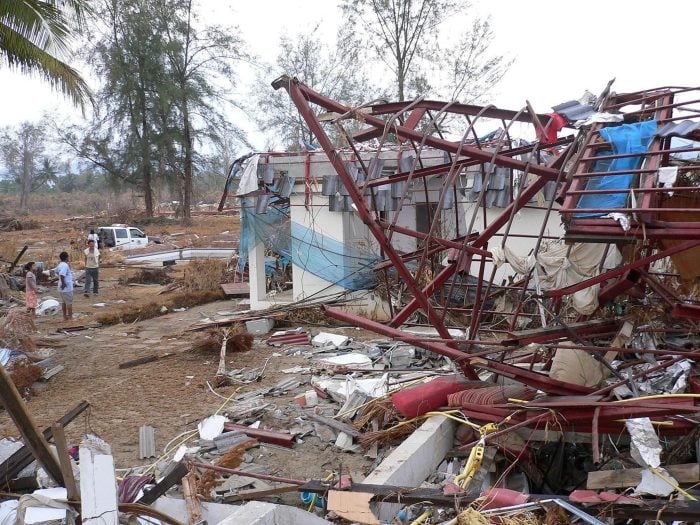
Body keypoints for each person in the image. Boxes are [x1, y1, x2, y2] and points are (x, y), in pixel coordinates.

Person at [56, 251, 73, 321]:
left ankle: (64, 316)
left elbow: (57, 271)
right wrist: (64, 283)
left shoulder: (60, 264)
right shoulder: (65, 265)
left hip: (61, 286)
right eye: (68, 256)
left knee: (64, 302)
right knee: (69, 302)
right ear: (66, 257)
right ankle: (70, 317)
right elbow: (62, 274)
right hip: (66, 287)